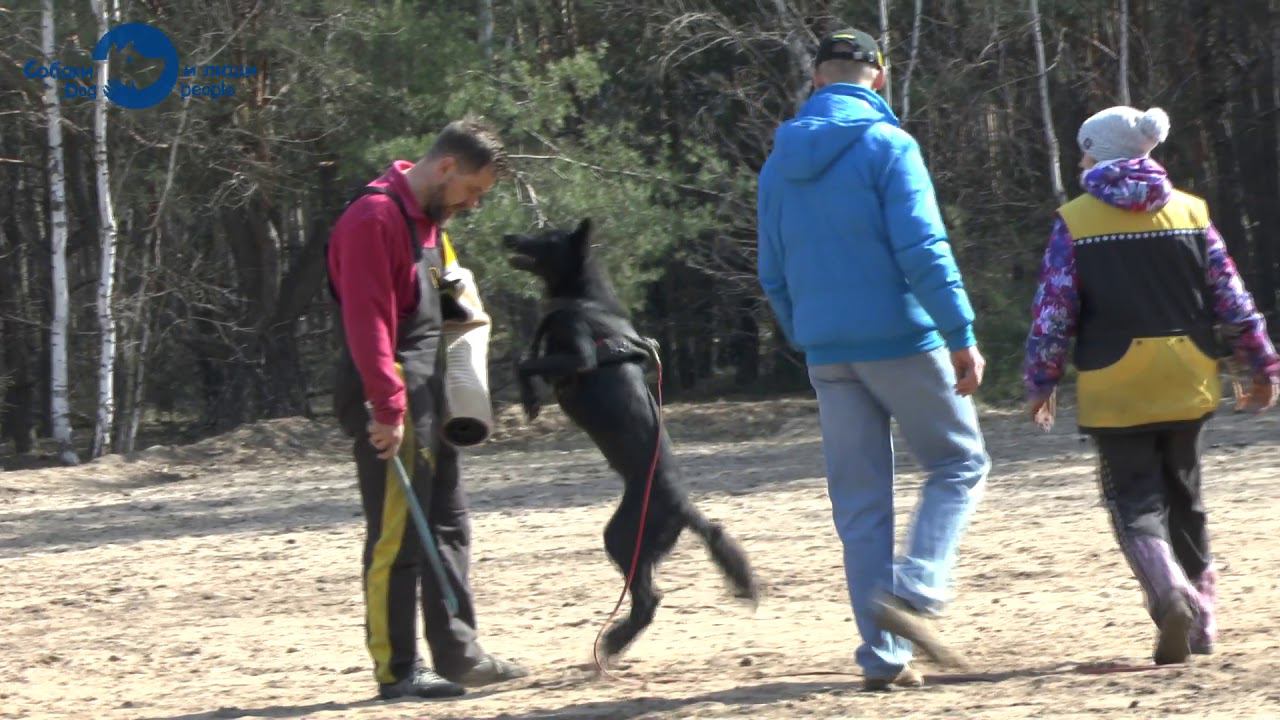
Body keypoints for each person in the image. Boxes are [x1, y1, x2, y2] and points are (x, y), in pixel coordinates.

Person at [756, 28, 990, 690]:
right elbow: (922, 249)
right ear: (879, 80)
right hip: (901, 342)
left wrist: (808, 333)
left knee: (861, 507)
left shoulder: (777, 164)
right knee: (960, 463)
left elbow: (771, 270)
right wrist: (960, 333)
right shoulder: (890, 146)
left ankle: (884, 657)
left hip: (828, 352)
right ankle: (917, 588)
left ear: (817, 80)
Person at [1024, 105, 1280, 664]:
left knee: (1133, 498)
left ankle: (1170, 594)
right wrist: (1262, 366)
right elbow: (1233, 300)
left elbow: (1054, 312)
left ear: (1097, 154)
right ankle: (1203, 623)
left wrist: (1041, 380)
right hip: (1188, 376)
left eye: (1083, 148)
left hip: (1116, 383)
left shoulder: (1077, 220)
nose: (1080, 158)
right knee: (1186, 497)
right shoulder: (1192, 212)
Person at [326, 117, 527, 700]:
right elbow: (368, 323)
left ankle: (460, 655)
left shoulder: (429, 223)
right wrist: (387, 409)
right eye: (472, 191)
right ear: (445, 168)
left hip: (431, 395)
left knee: (449, 524)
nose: (473, 204)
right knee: (398, 535)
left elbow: (447, 301)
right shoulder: (373, 218)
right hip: (388, 393)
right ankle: (397, 669)